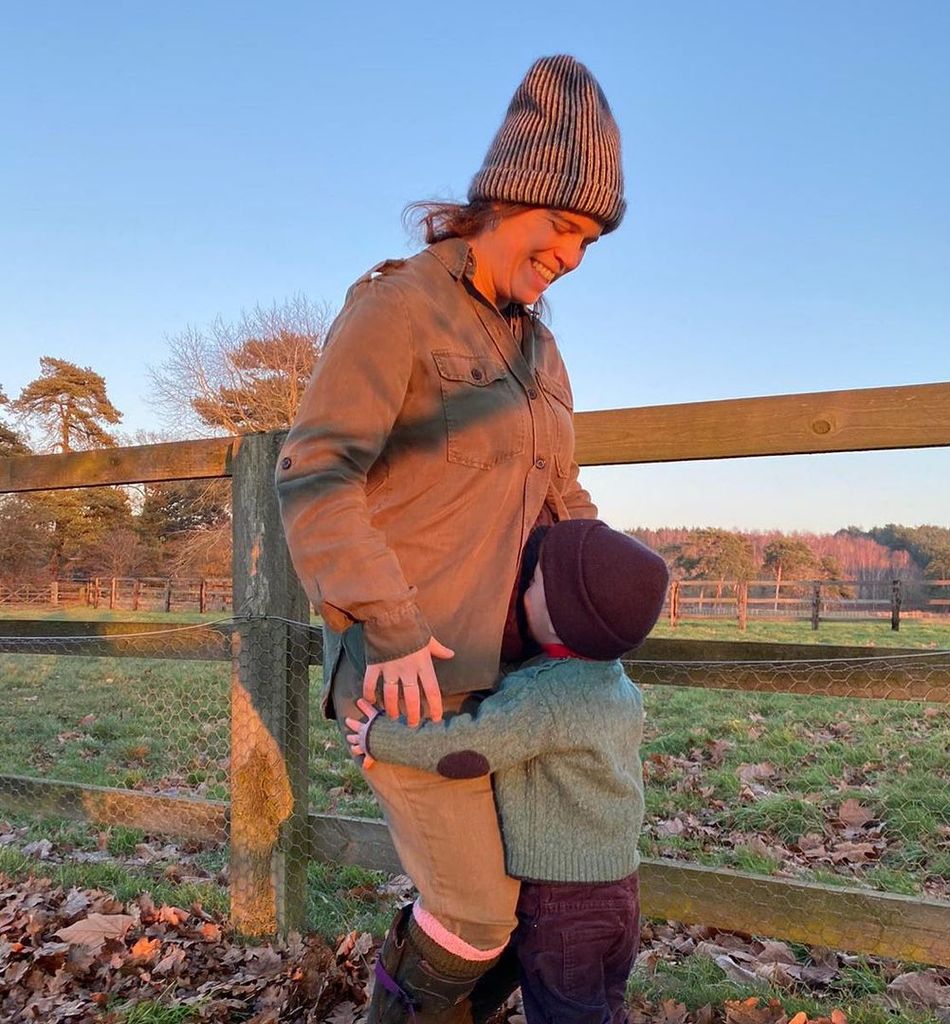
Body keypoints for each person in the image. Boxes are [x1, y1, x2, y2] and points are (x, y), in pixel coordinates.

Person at [275, 55, 626, 1023]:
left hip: (515, 689)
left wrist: (615, 586)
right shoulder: (397, 310)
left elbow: (562, 496)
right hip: (408, 678)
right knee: (476, 911)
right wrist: (385, 624)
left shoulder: (540, 351)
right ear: (506, 194)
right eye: (563, 226)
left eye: (591, 240)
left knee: (531, 911)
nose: (573, 257)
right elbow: (315, 470)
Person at [346, 519, 670, 1024]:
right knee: (604, 1007)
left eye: (534, 582)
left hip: (560, 904)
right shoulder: (617, 684)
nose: (523, 590)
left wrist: (380, 737)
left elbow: (467, 749)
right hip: (619, 896)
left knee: (566, 1014)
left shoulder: (542, 698)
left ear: (564, 616)